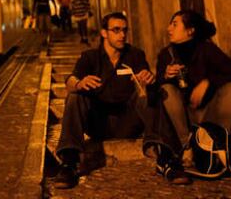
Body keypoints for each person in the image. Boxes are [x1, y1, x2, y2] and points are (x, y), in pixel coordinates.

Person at [54, 12, 157, 189]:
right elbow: (70, 81)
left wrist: (146, 79)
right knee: (75, 95)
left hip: (128, 120)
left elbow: (145, 77)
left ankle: (162, 152)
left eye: (124, 30)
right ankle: (69, 162)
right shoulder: (90, 57)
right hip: (98, 122)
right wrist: (79, 83)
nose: (122, 35)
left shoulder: (135, 54)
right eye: (116, 30)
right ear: (104, 33)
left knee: (151, 94)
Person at [156, 10, 231, 177]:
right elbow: (156, 94)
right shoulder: (165, 55)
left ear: (190, 31)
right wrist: (165, 76)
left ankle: (215, 145)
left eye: (175, 24)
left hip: (207, 115)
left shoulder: (206, 49)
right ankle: (187, 147)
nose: (169, 29)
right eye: (170, 24)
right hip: (183, 119)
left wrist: (208, 82)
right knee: (166, 90)